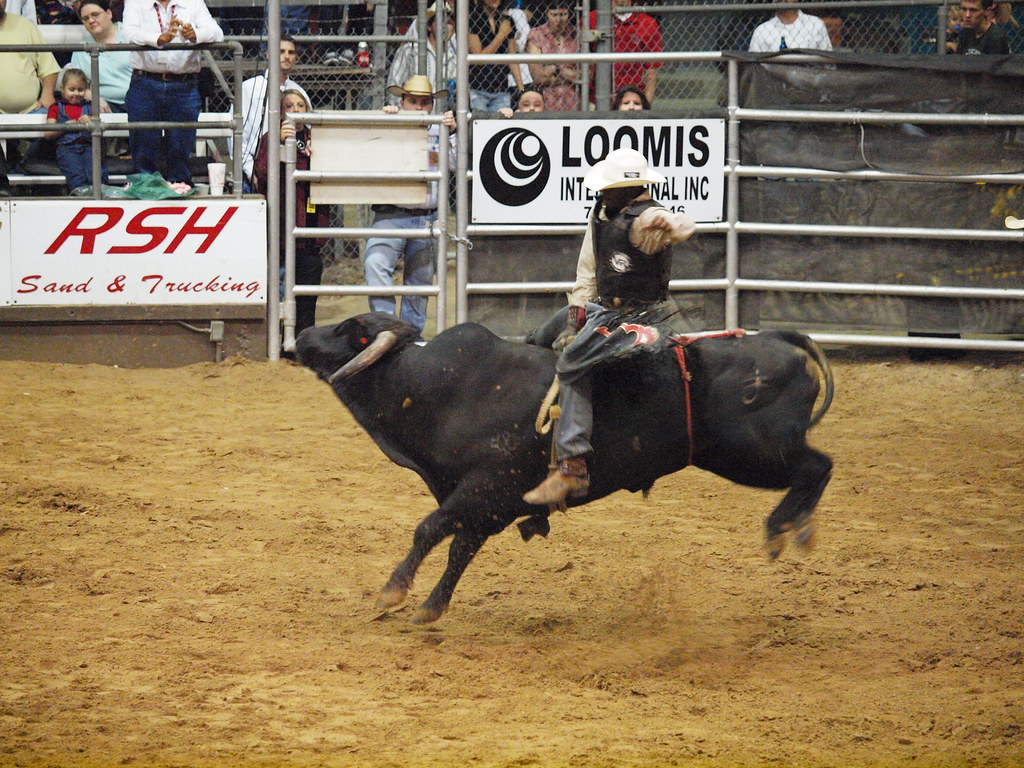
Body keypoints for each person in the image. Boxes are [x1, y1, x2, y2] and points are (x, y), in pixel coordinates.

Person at [523, 148, 697, 506]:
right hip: (604, 310)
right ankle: (541, 441)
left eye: (608, 187)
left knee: (573, 360)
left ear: (626, 189)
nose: (601, 192)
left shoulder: (647, 217)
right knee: (540, 338)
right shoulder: (603, 215)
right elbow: (587, 272)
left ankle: (572, 464)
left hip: (645, 317)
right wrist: (575, 319)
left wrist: (671, 224)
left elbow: (681, 225)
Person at [365, 75, 457, 336]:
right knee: (375, 264)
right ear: (402, 101)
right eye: (413, 101)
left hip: (427, 215)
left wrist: (452, 131)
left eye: (424, 102)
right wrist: (387, 120)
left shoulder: (441, 129)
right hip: (391, 212)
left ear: (432, 105)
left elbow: (455, 164)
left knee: (420, 281)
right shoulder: (390, 122)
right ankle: (385, 331)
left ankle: (410, 337)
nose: (419, 107)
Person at [253, 89, 329, 336]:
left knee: (307, 292)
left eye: (300, 105)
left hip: (309, 230)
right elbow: (261, 175)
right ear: (281, 111)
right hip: (279, 232)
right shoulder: (269, 138)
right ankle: (274, 340)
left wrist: (317, 155)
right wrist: (277, 143)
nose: (295, 110)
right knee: (276, 289)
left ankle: (303, 340)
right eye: (289, 105)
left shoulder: (317, 139)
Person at [122, 0, 224, 185]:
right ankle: (145, 188)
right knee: (143, 143)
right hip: (145, 81)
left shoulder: (193, 2)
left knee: (180, 145)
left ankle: (179, 188)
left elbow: (217, 33)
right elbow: (128, 34)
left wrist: (195, 34)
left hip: (183, 85)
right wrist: (158, 38)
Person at [0, 0, 61, 194]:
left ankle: (32, 180)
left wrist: (48, 93)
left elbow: (48, 66)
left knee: (60, 126)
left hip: (32, 107)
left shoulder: (25, 26)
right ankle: (3, 186)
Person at [239, 34, 309, 190]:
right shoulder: (250, 88)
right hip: (254, 171)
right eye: (281, 51)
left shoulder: (300, 93)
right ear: (269, 54)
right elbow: (238, 136)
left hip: (289, 171)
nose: (286, 56)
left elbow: (305, 131)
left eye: (291, 53)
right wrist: (251, 173)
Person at [46, 68, 109, 192]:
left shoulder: (90, 106)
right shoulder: (55, 108)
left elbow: (100, 129)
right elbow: (48, 133)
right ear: (62, 89)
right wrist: (65, 126)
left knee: (96, 173)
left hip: (89, 145)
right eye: (72, 89)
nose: (76, 93)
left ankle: (101, 198)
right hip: (67, 148)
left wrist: (91, 120)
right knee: (76, 175)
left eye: (81, 90)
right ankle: (80, 199)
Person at [588, 0, 663, 105]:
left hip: (632, 98)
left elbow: (651, 69)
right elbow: (583, 51)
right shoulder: (592, 18)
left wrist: (647, 104)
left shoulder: (647, 23)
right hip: (596, 96)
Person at [386, 4, 456, 107]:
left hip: (440, 119)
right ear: (429, 26)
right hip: (411, 117)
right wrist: (403, 115)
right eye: (441, 21)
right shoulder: (410, 51)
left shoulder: (453, 59)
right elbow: (394, 85)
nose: (445, 26)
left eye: (449, 22)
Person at [69, 0, 133, 112]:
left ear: (109, 13)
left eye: (95, 15)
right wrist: (92, 97)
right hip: (104, 105)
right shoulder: (81, 49)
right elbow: (75, 83)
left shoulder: (131, 35)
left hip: (140, 100)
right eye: (85, 18)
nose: (91, 20)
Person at [468, 0, 522, 112]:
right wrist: (501, 35)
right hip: (478, 87)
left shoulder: (507, 21)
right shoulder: (472, 20)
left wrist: (521, 89)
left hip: (501, 87)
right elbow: (479, 59)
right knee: (480, 125)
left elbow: (512, 58)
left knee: (500, 126)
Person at [527, 0, 579, 112]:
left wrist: (556, 70)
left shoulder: (576, 35)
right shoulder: (537, 35)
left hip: (574, 99)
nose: (558, 20)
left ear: (569, 14)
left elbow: (586, 75)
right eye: (554, 15)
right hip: (546, 99)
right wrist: (570, 76)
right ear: (547, 14)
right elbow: (538, 77)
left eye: (563, 14)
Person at [748, 5, 833, 51]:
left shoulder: (815, 24)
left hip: (810, 81)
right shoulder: (762, 31)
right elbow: (754, 69)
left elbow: (828, 63)